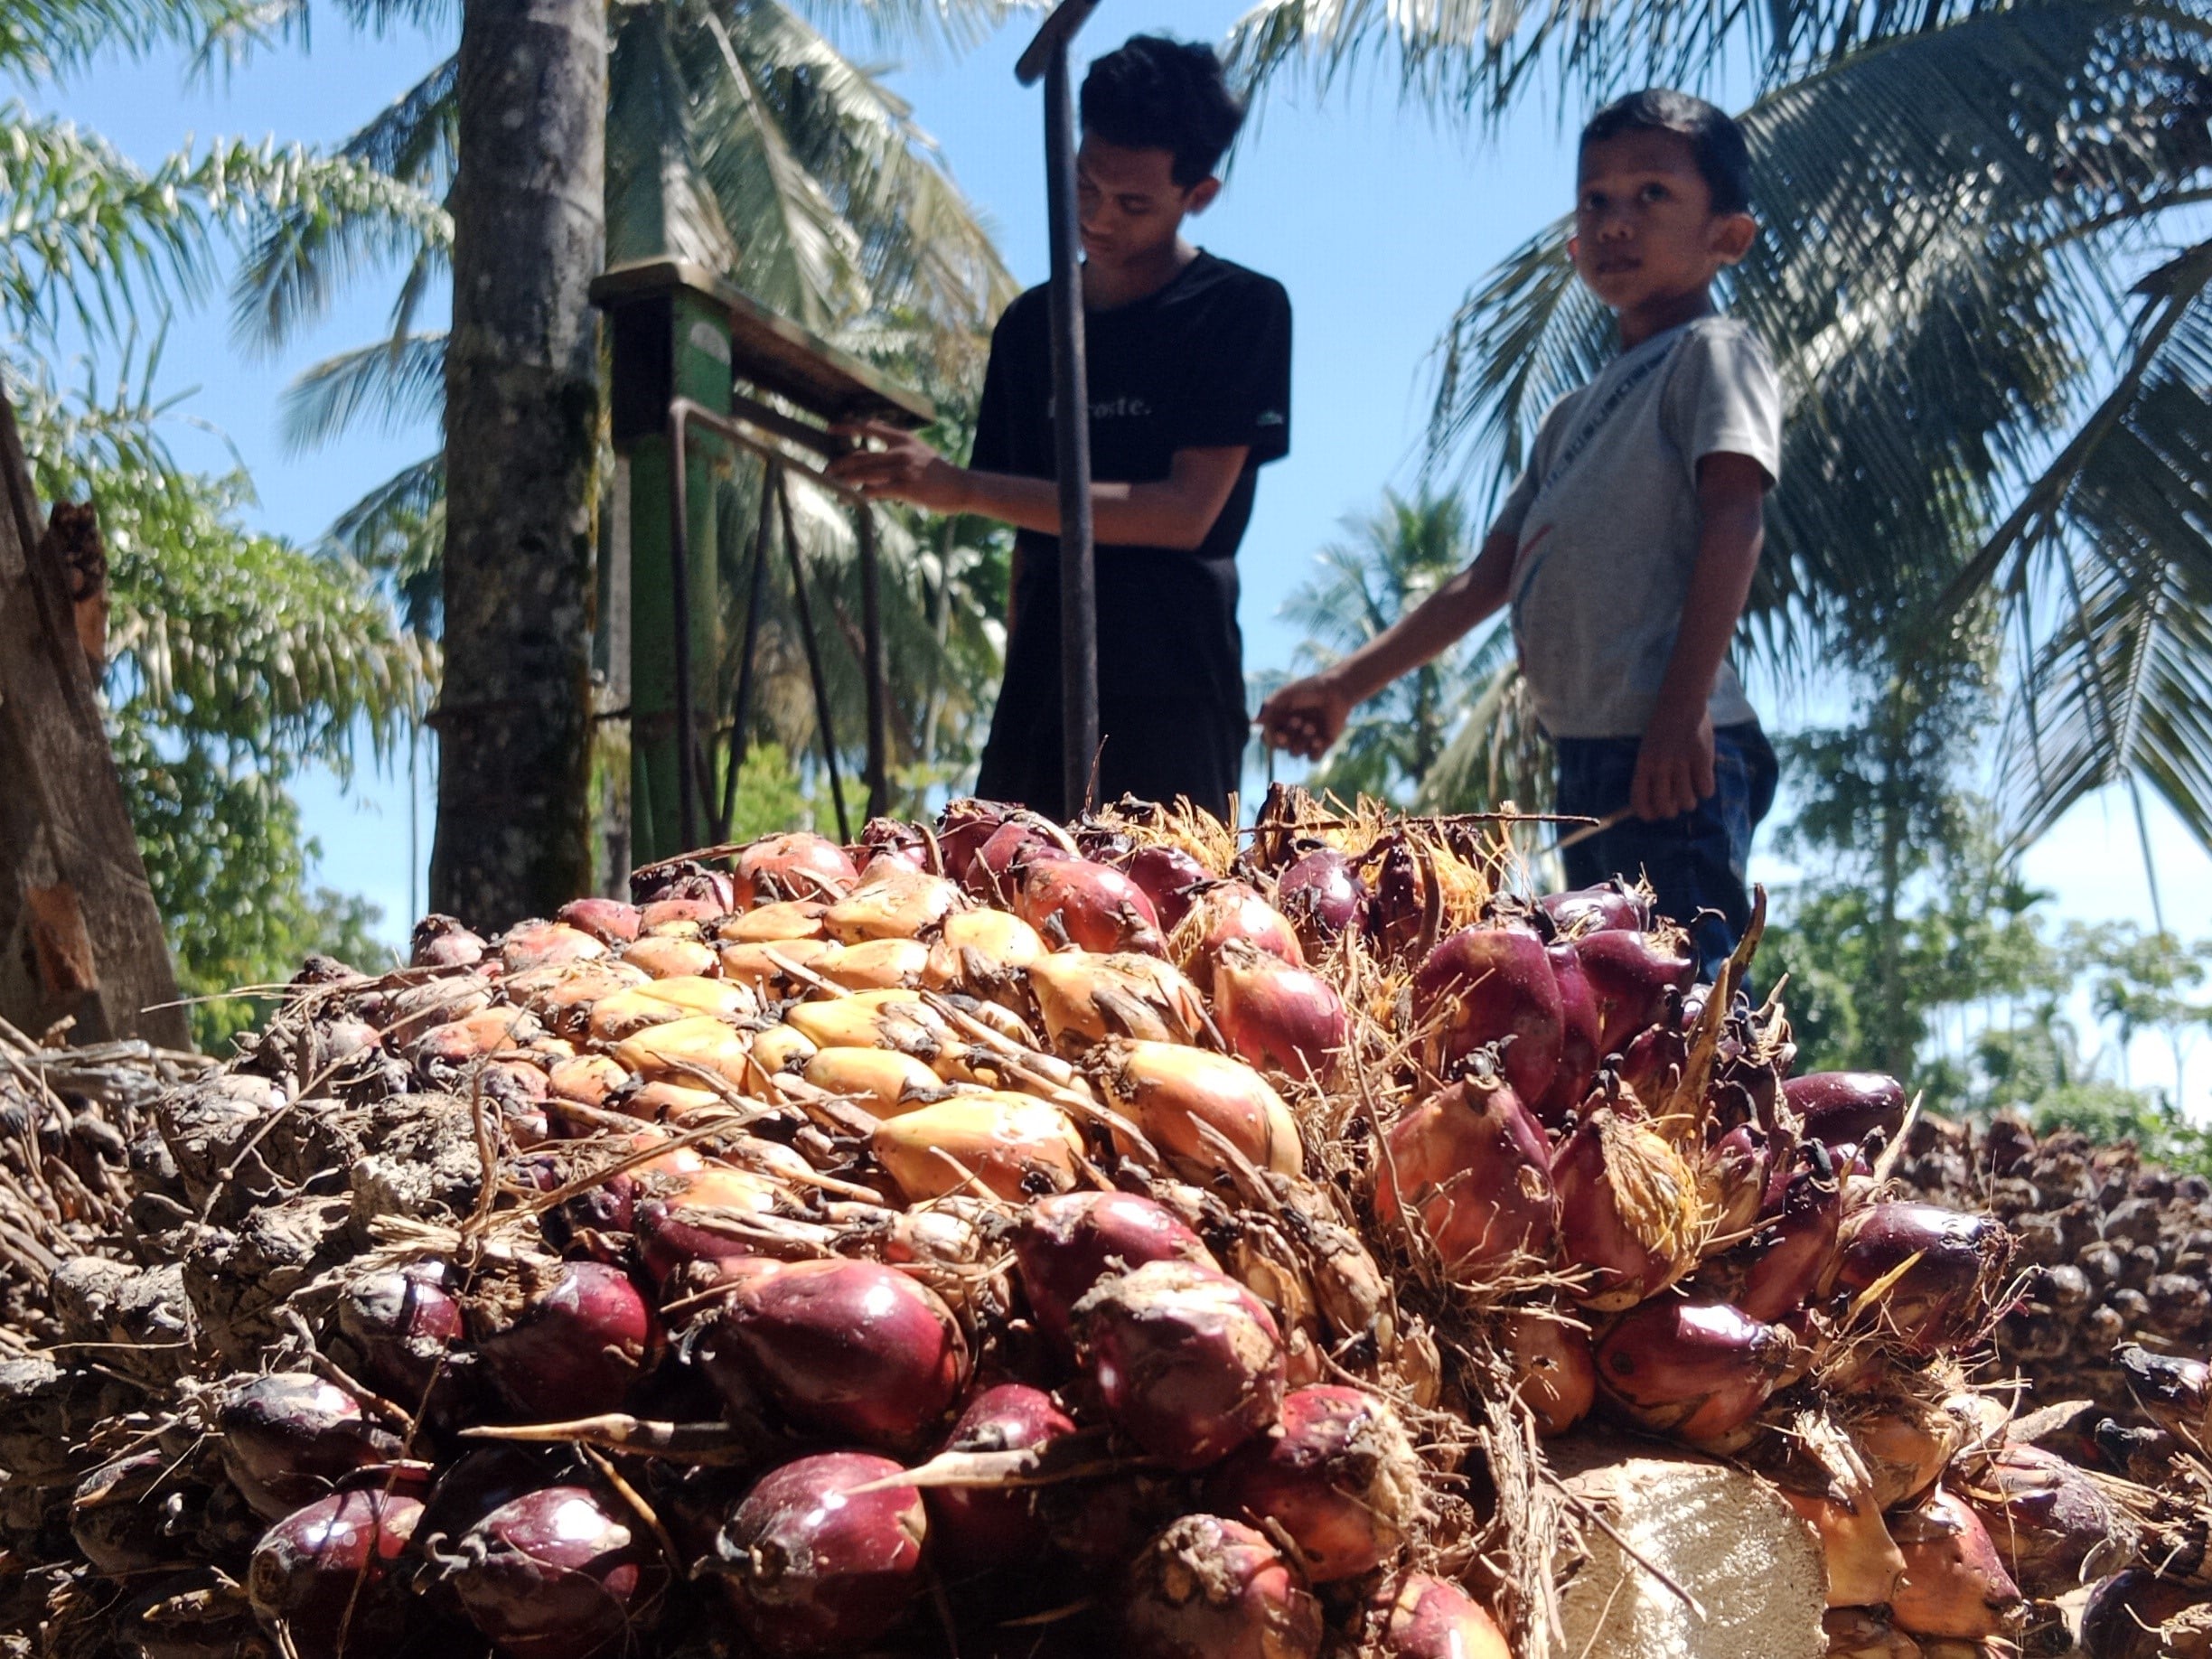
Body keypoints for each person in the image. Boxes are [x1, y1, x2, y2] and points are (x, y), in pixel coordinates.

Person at [1261, 89, 1781, 978]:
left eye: (1652, 194)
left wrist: (1681, 706)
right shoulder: (1569, 419)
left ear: (1727, 237)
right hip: (1588, 749)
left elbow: (1736, 516)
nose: (1617, 221)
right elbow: (1486, 576)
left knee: (1685, 985)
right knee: (1612, 988)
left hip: (1673, 747)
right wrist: (1347, 684)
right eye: (1596, 200)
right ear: (1573, 241)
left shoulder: (1713, 352)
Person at [829, 34, 1291, 822]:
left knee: (1168, 896)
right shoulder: (1028, 329)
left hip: (1173, 694)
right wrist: (1019, 684)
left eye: (1133, 204)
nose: (1098, 217)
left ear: (1199, 194)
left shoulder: (1239, 310)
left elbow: (1184, 513)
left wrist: (963, 488)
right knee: (1003, 890)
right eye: (1085, 185)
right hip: (1038, 695)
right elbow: (1025, 547)